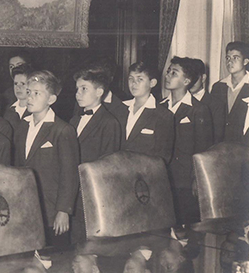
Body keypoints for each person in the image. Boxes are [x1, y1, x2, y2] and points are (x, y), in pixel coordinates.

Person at [14, 71, 80, 246]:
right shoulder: (22, 126)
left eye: (37, 93)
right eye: (29, 92)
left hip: (51, 211)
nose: (30, 98)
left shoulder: (62, 130)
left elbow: (69, 174)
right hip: (26, 208)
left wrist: (63, 210)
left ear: (51, 99)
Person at [68, 67, 121, 244]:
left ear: (99, 92)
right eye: (77, 89)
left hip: (91, 192)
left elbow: (107, 164)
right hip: (73, 191)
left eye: (84, 89)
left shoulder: (109, 122)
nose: (78, 94)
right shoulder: (74, 120)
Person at [161, 57, 213, 224]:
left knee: (186, 232)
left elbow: (203, 150)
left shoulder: (198, 110)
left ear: (186, 80)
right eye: (168, 71)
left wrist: (197, 181)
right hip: (162, 180)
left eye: (174, 73)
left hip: (185, 182)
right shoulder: (159, 107)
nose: (168, 75)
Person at [118, 62, 174, 164]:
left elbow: (162, 158)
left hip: (144, 175)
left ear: (152, 83)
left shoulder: (163, 115)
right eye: (131, 79)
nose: (134, 83)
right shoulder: (120, 108)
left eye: (140, 79)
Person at [210, 42, 249, 145]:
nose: (230, 62)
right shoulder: (218, 87)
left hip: (243, 146)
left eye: (235, 58)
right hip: (219, 145)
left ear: (245, 61)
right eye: (228, 58)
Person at [3, 63, 32, 132]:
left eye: (23, 84)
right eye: (15, 83)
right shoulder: (6, 109)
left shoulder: (36, 111)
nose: (18, 88)